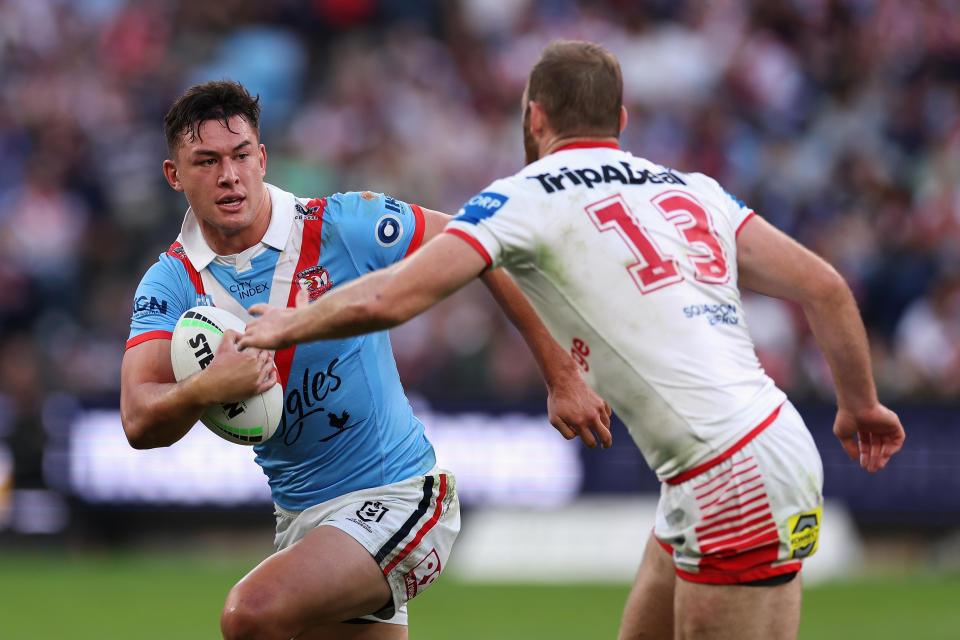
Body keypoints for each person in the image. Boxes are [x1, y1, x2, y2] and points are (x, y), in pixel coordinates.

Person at [238, 40, 906, 640]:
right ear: (621, 119)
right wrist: (860, 404)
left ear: (534, 118)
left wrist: (285, 323)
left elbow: (390, 295)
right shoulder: (692, 189)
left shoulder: (523, 198)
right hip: (745, 449)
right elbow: (826, 288)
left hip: (730, 473)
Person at [120, 80, 611, 640]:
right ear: (174, 176)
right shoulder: (171, 283)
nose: (228, 175)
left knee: (248, 615)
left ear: (262, 158)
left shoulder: (341, 225)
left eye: (239, 156)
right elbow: (138, 418)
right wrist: (204, 388)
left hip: (400, 498)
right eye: (205, 161)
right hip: (305, 526)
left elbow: (482, 244)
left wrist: (562, 372)